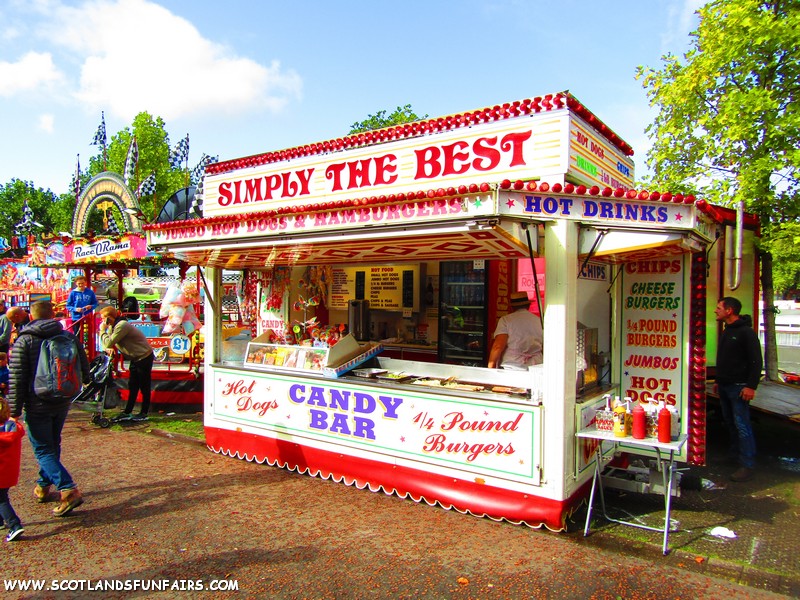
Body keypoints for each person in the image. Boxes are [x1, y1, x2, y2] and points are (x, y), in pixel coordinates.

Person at [9, 300, 89, 517]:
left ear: (31, 315)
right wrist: (85, 382)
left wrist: (14, 410)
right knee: (53, 443)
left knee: (43, 448)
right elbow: (82, 361)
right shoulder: (68, 335)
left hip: (37, 402)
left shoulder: (25, 340)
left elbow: (17, 377)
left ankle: (68, 489)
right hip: (62, 398)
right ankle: (44, 486)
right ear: (52, 314)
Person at [714, 297, 763, 483]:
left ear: (730, 310)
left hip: (739, 387)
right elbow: (725, 360)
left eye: (719, 307)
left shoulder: (746, 333)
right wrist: (719, 380)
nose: (715, 311)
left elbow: (756, 361)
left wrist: (751, 386)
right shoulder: (727, 331)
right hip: (725, 385)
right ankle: (734, 455)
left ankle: (747, 464)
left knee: (742, 424)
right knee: (730, 422)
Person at [99, 306, 155, 422]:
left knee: (144, 385)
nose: (102, 321)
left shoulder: (122, 326)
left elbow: (109, 342)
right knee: (133, 385)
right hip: (135, 358)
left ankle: (144, 413)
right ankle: (127, 411)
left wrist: (102, 331)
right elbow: (107, 344)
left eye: (104, 318)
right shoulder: (114, 326)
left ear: (110, 318)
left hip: (143, 356)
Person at [487, 291, 543, 370]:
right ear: (528, 305)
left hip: (512, 366)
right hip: (536, 366)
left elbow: (498, 346)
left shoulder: (506, 320)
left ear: (512, 307)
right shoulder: (539, 321)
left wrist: (490, 367)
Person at [0, 397, 25, 541]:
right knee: (2, 496)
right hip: (9, 471)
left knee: (1, 500)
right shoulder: (14, 428)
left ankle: (14, 525)